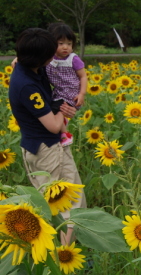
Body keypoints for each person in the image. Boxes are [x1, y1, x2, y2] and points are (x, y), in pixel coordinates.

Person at [8, 28, 86, 245]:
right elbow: (53, 126)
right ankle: (62, 257)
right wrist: (64, 107)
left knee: (76, 202)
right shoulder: (27, 86)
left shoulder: (30, 67)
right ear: (41, 58)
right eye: (51, 55)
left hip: (50, 147)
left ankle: (70, 249)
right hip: (46, 150)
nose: (55, 57)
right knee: (65, 210)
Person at [46, 22, 88, 146]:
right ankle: (62, 124)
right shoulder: (49, 57)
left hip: (71, 93)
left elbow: (83, 76)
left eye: (69, 44)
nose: (66, 47)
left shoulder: (73, 59)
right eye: (61, 44)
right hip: (58, 92)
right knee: (52, 108)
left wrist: (82, 94)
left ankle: (65, 135)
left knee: (55, 109)